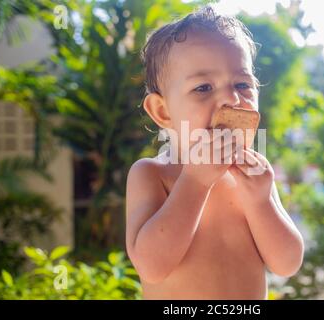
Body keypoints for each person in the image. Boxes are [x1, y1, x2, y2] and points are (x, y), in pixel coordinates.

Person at [126, 5, 304, 299]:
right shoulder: (152, 174)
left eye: (243, 84)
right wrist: (195, 181)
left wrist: (262, 203)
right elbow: (151, 266)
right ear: (162, 110)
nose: (231, 99)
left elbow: (287, 263)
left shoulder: (254, 176)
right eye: (204, 87)